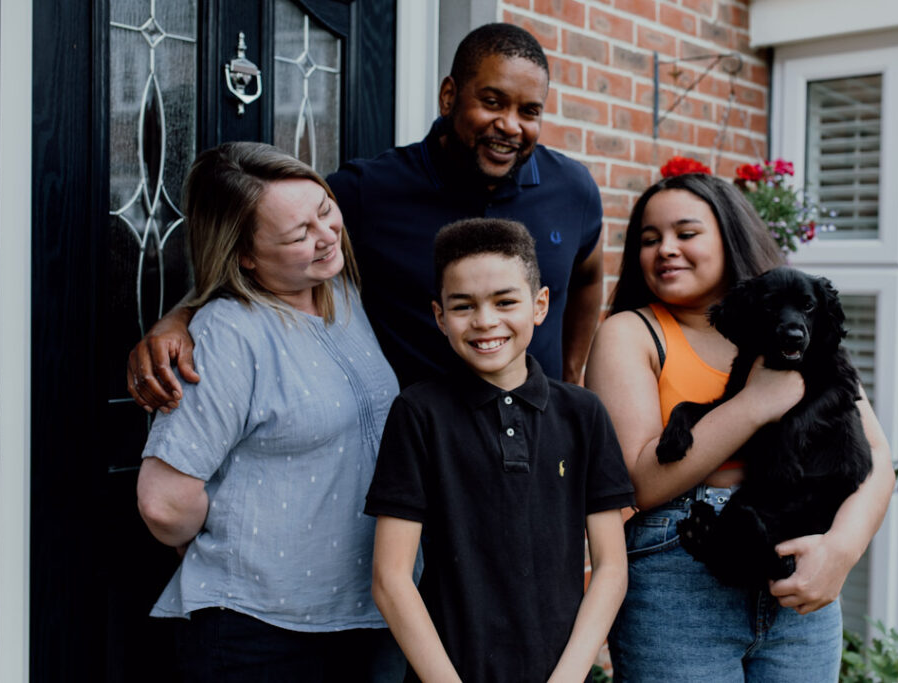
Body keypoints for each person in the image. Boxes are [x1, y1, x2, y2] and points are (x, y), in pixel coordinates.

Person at [126, 22, 603, 410]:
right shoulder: (366, 192)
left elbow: (586, 275)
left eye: (530, 111)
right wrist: (182, 317)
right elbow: (259, 248)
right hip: (418, 459)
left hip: (537, 448)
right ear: (449, 96)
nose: (511, 126)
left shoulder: (574, 190)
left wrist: (574, 374)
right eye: (493, 102)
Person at [583, 172, 894, 682]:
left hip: (802, 565)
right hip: (681, 579)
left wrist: (842, 549)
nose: (665, 249)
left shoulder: (801, 331)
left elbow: (877, 457)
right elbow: (640, 481)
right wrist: (755, 403)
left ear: (729, 236)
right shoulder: (631, 334)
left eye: (686, 233)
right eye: (648, 238)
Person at [135, 142, 405, 682]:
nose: (327, 236)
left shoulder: (340, 292)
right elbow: (164, 504)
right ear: (246, 256)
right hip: (260, 632)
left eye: (324, 211)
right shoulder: (228, 332)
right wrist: (245, 541)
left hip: (362, 615)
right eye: (299, 234)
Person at [365, 218, 633, 682]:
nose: (485, 321)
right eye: (463, 306)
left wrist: (568, 677)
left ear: (540, 304)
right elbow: (391, 579)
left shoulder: (583, 413)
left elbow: (611, 567)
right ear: (439, 316)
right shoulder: (418, 413)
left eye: (505, 301)